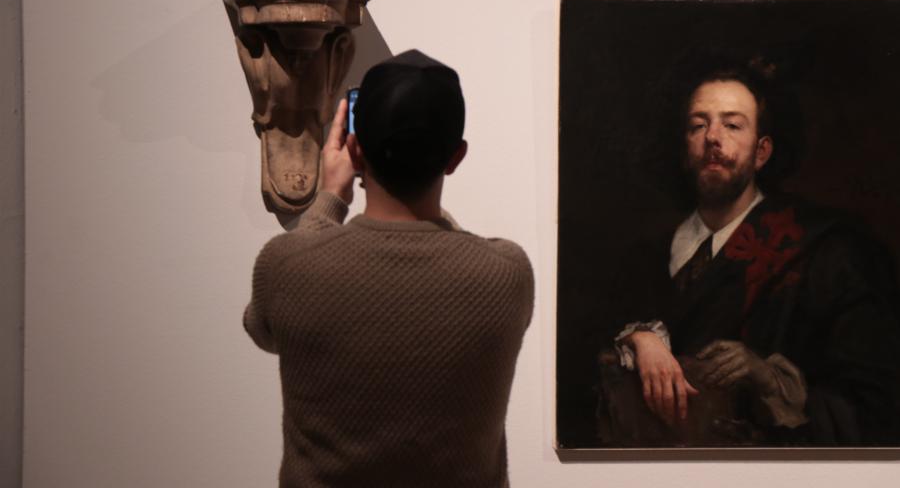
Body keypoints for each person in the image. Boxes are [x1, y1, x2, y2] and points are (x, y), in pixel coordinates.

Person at [244, 50, 534, 487]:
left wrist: (329, 202)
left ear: (355, 150)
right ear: (456, 157)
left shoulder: (286, 265)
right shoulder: (507, 273)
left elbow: (261, 330)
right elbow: (457, 254)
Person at [603, 52, 900, 446]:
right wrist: (638, 338)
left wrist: (767, 378)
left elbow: (874, 406)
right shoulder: (645, 257)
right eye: (698, 125)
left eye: (732, 125)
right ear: (684, 147)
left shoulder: (827, 252)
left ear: (762, 152)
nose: (713, 137)